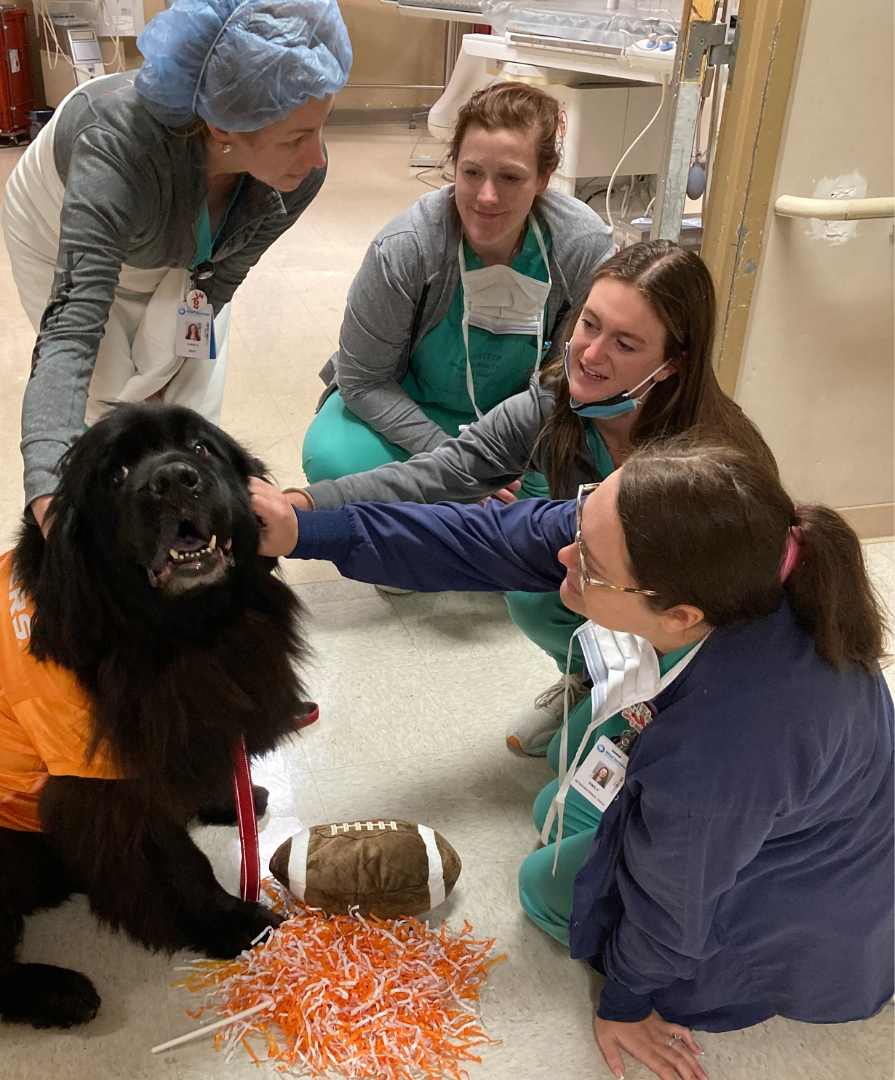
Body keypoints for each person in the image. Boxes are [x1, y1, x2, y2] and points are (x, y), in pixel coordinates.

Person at [249, 439, 894, 1080]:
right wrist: (304, 529)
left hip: (796, 894)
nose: (564, 554)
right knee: (559, 780)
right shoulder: (697, 553)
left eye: (589, 561)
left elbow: (675, 898)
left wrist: (627, 1001)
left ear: (679, 614)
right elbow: (489, 536)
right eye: (580, 530)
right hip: (749, 799)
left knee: (545, 887)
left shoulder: (724, 748)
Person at [287, 241, 774, 757]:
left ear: (673, 365)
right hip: (623, 599)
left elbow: (721, 619)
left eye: (625, 344)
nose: (590, 355)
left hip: (692, 644)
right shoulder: (550, 408)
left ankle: (637, 703)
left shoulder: (712, 461)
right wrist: (305, 507)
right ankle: (588, 679)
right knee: (544, 590)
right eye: (589, 324)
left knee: (567, 795)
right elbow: (445, 472)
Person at [2, 0, 352, 531]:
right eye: (296, 138)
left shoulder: (296, 176)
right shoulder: (114, 156)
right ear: (222, 129)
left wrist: (177, 366)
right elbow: (71, 330)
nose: (318, 159)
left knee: (190, 399)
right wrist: (50, 495)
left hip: (178, 237)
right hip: (57, 221)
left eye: (320, 129)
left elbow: (216, 282)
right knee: (111, 388)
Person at [300, 81, 613, 492]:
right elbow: (364, 381)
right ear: (454, 166)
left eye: (510, 177)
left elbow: (565, 377)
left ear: (543, 178)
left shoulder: (580, 247)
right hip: (408, 410)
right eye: (471, 173)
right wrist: (456, 465)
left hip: (525, 423)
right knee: (331, 456)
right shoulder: (406, 248)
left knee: (581, 489)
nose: (486, 196)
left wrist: (509, 457)